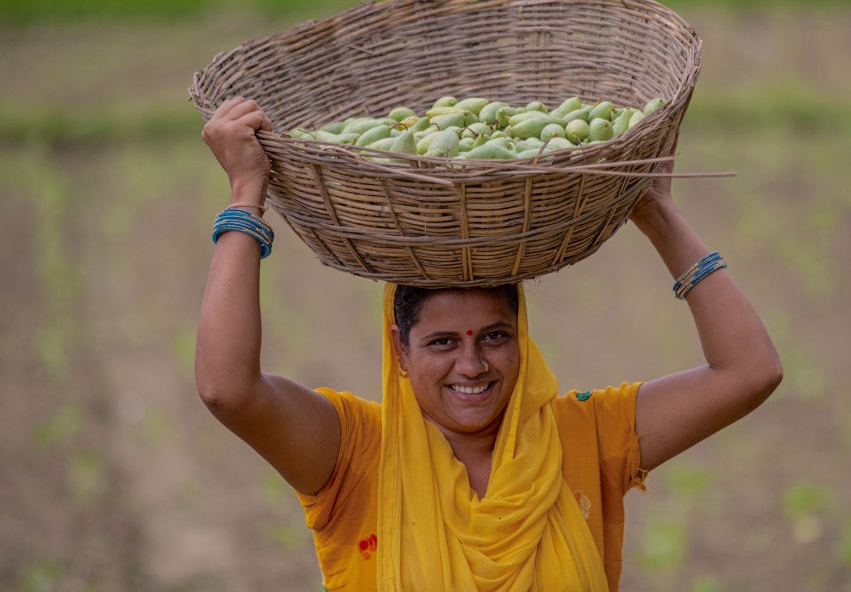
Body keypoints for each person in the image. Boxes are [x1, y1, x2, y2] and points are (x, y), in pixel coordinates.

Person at [196, 96, 783, 591]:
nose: (472, 364)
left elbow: (750, 371)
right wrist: (246, 194)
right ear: (400, 349)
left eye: (496, 337)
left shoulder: (584, 436)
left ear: (522, 335)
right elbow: (227, 390)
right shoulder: (354, 457)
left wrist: (656, 211)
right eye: (443, 342)